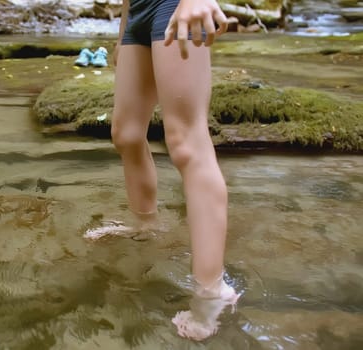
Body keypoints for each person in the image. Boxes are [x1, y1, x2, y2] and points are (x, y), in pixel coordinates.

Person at [111, 0, 240, 341]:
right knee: (125, 133)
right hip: (138, 13)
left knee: (186, 141)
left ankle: (213, 291)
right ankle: (146, 225)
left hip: (174, 5)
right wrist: (124, 30)